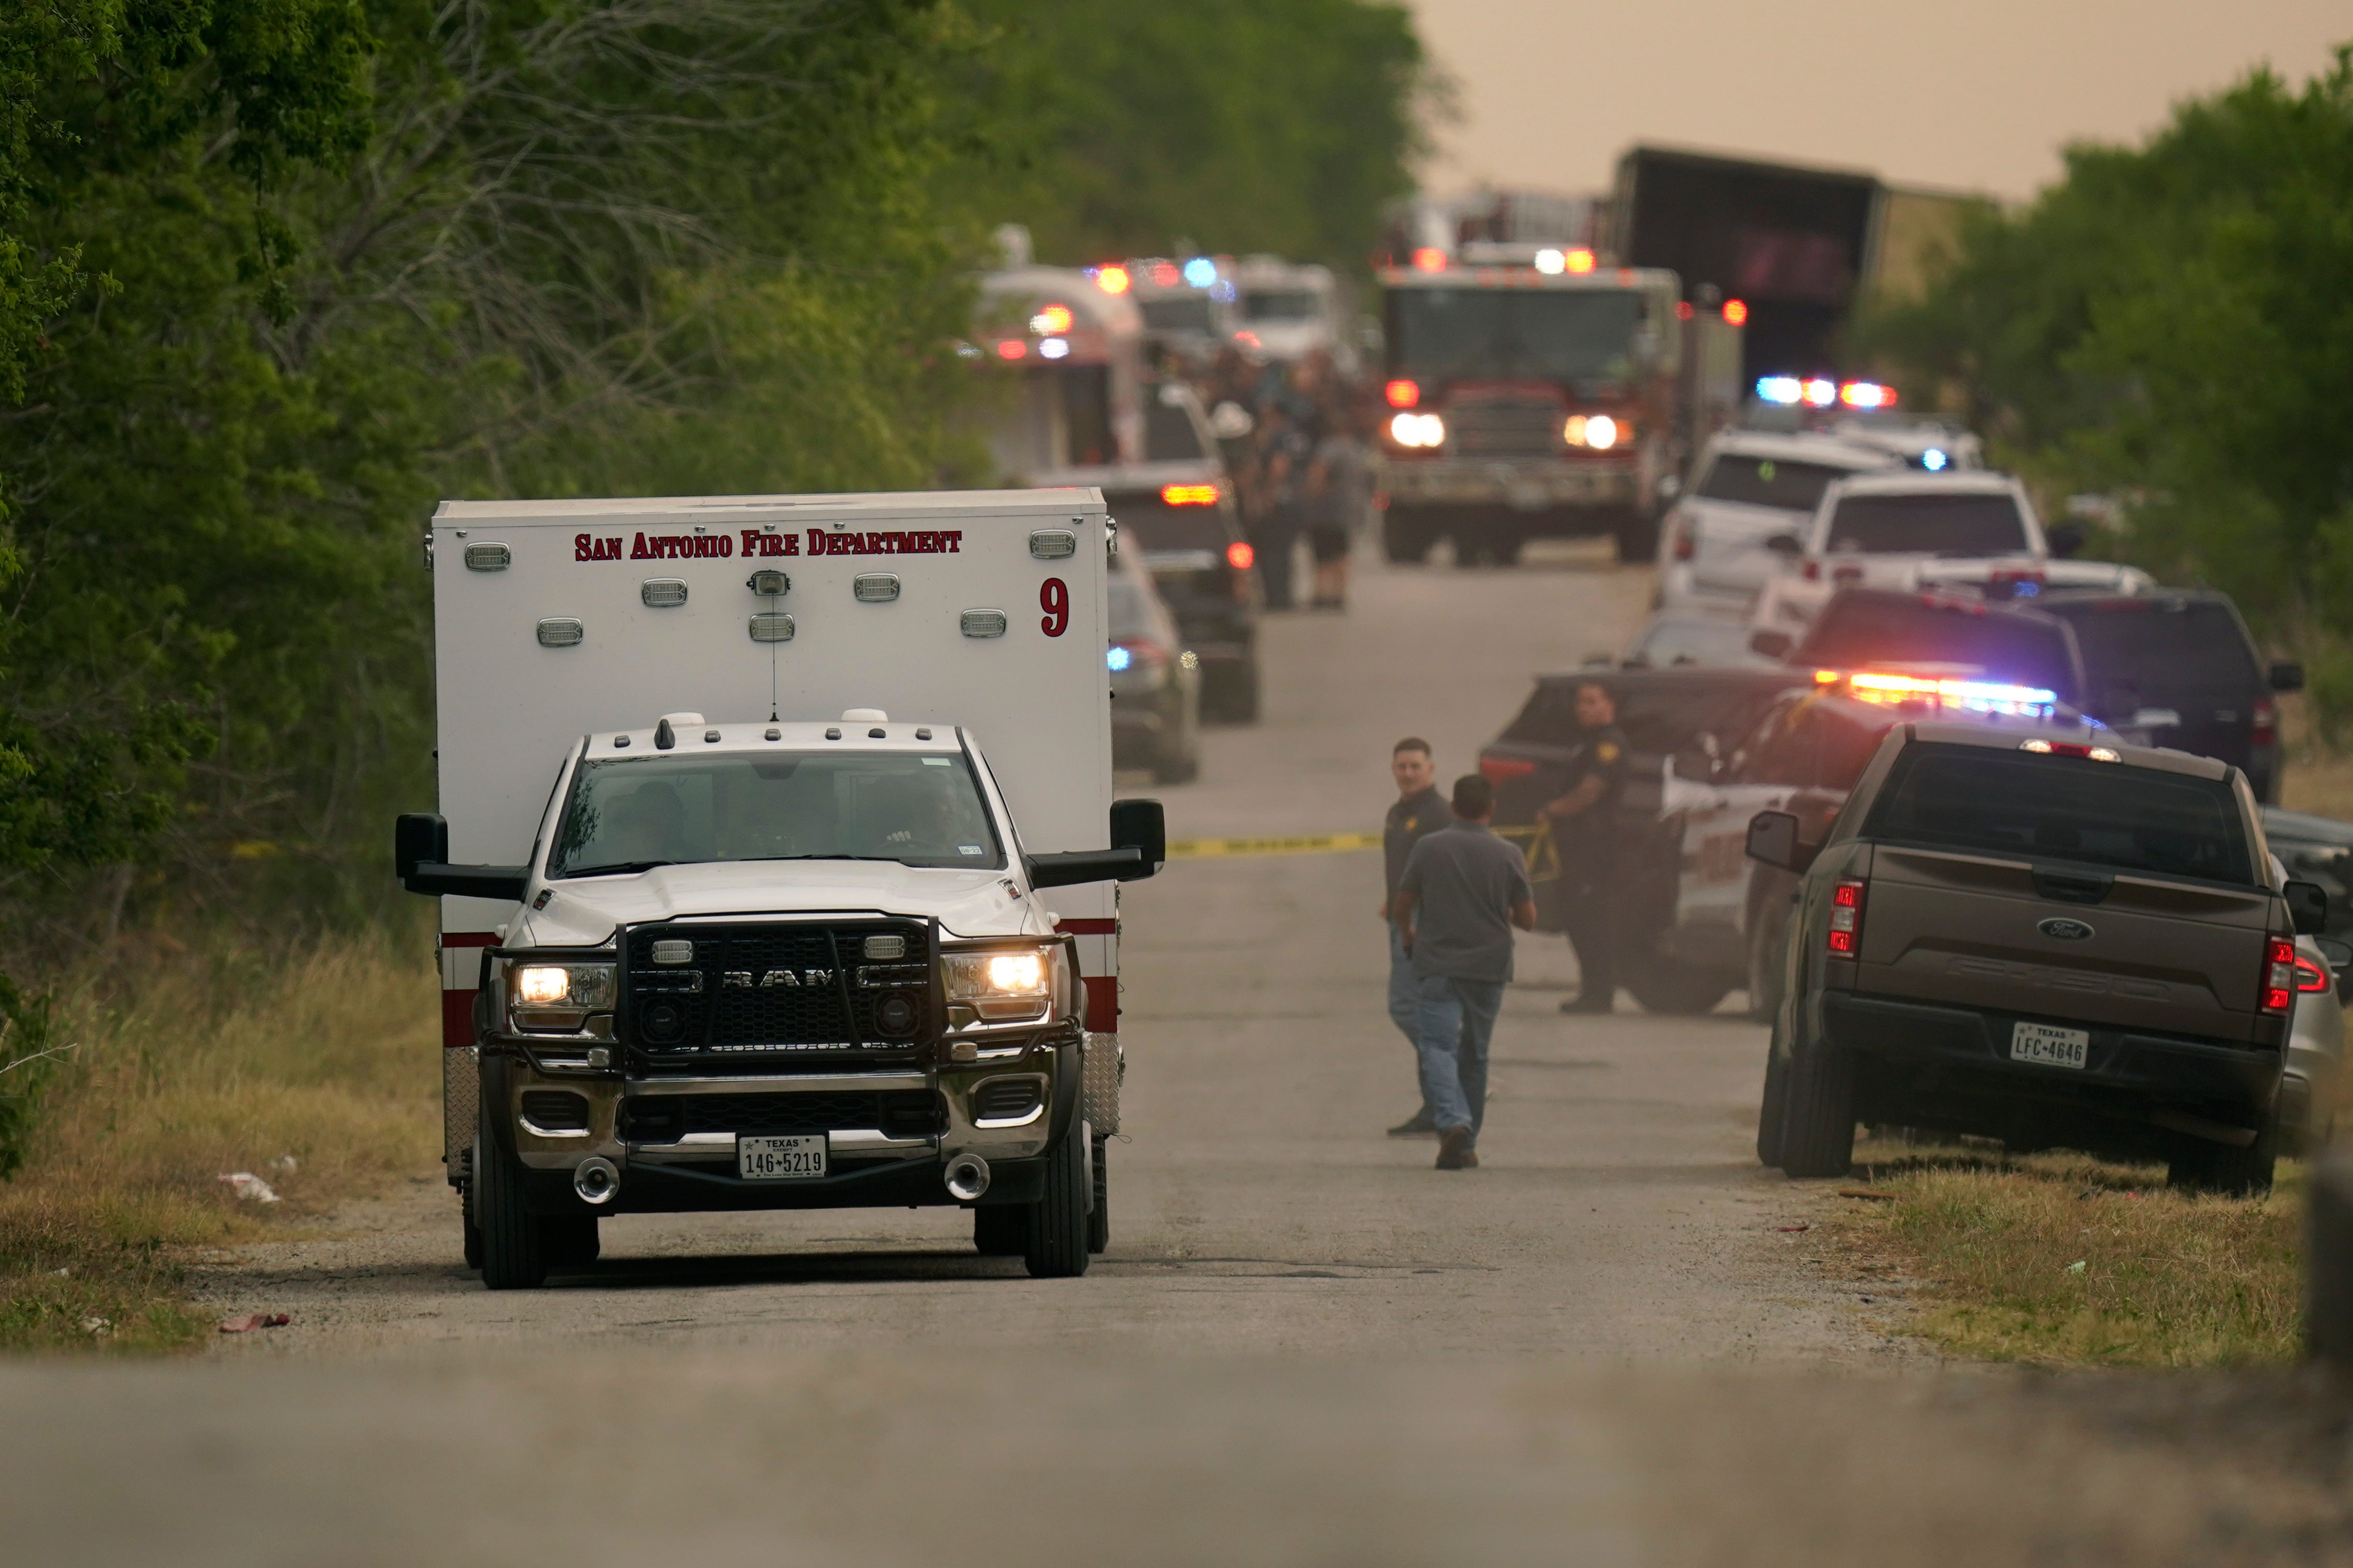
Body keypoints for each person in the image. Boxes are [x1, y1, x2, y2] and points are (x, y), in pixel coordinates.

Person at [1392, 774, 1537, 1171]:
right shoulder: (1509, 854)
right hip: (1489, 967)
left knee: (1438, 1046)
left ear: (1454, 806)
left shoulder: (1428, 847)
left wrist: (1408, 937)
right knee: (1476, 1054)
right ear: (1491, 809)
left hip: (1439, 963)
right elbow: (1527, 918)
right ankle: (1466, 1142)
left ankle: (1453, 1121)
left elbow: (1402, 903)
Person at [1541, 681, 1629, 1014]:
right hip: (1576, 845)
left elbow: (1591, 791)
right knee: (1576, 916)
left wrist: (1553, 810)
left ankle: (1599, 993)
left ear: (1610, 705)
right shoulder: (1586, 743)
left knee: (1592, 919)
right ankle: (1592, 989)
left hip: (1595, 847)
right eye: (1580, 702)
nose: (1584, 708)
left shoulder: (1609, 745)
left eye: (1592, 701)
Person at [1381, 738, 1450, 1137]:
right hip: (1401, 914)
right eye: (1402, 766)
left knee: (1407, 1007)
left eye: (1415, 766)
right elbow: (1404, 864)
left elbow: (1443, 872)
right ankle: (1436, 1105)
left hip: (1421, 923)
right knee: (1418, 1009)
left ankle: (1452, 1070)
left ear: (1431, 769)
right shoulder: (1399, 812)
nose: (1408, 773)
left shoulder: (1437, 814)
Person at [1304, 402, 1373, 610]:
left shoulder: (1329, 448)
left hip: (1328, 509)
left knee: (1322, 553)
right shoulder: (1358, 450)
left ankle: (1321, 592)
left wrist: (1311, 495)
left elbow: (1318, 472)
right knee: (1342, 551)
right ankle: (1340, 593)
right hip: (1351, 509)